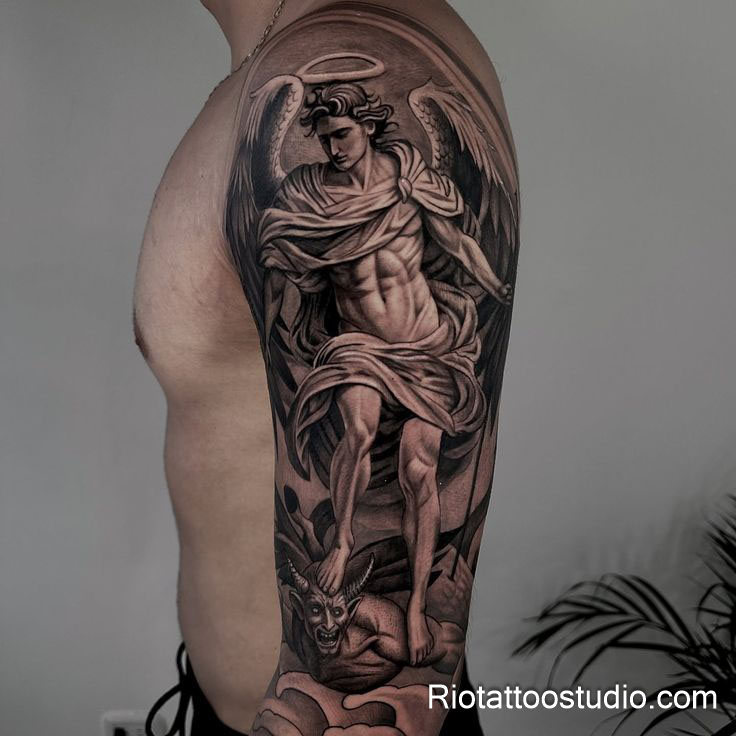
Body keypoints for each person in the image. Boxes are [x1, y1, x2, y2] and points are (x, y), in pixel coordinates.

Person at [135, 1, 519, 734]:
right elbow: (291, 267)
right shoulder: (305, 173)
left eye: (342, 134)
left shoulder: (345, 51)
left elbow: (455, 244)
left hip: (329, 719)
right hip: (359, 350)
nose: (333, 148)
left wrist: (486, 276)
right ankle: (341, 539)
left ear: (368, 127)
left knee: (417, 470)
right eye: (324, 137)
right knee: (356, 432)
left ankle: (410, 606)